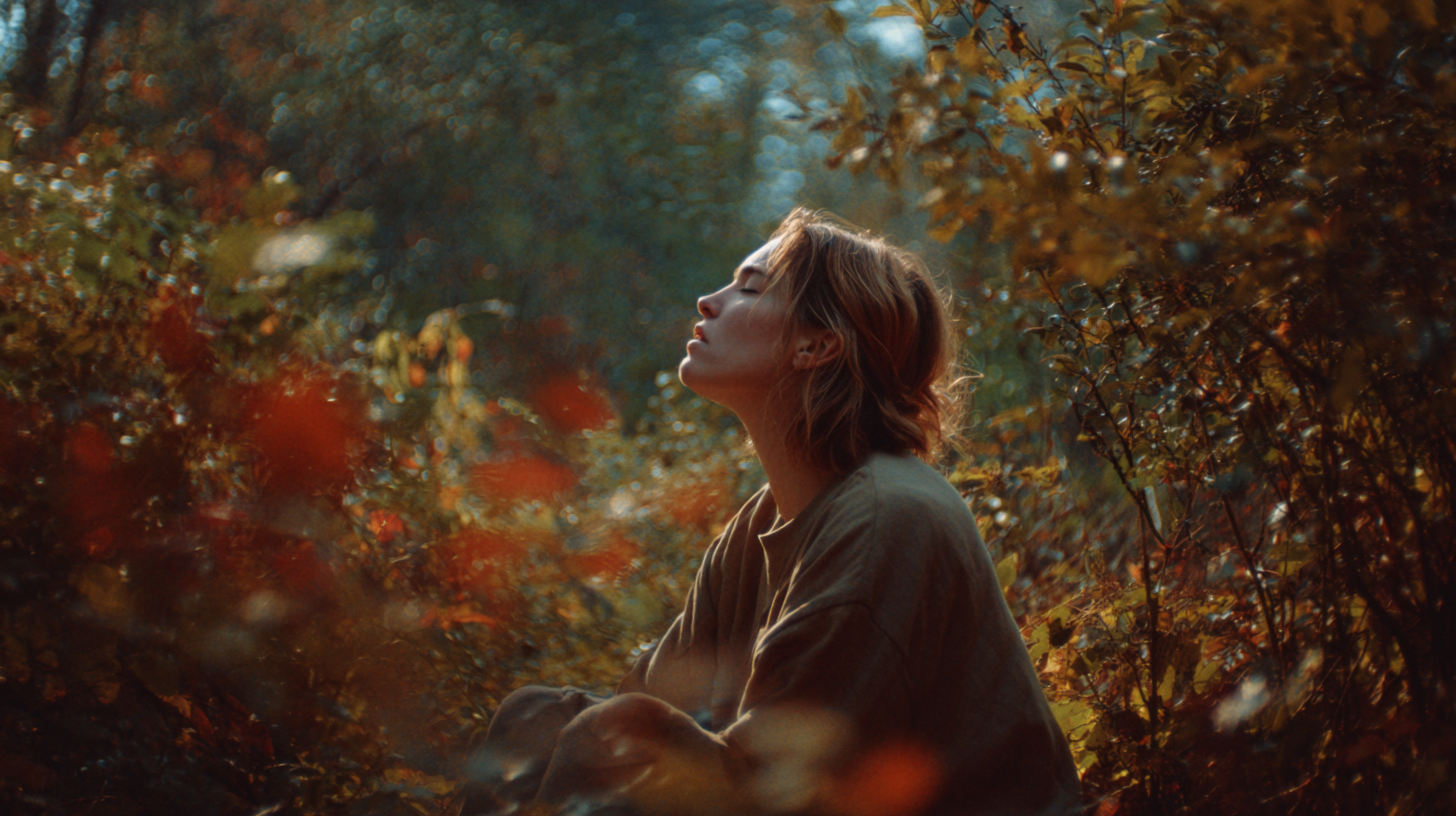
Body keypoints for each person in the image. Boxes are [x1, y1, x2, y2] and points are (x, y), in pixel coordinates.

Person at [467, 209, 1082, 816]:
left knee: (613, 733)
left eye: (750, 288)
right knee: (535, 718)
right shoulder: (764, 520)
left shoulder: (884, 519)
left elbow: (785, 793)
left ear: (817, 345)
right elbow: (659, 695)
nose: (709, 301)